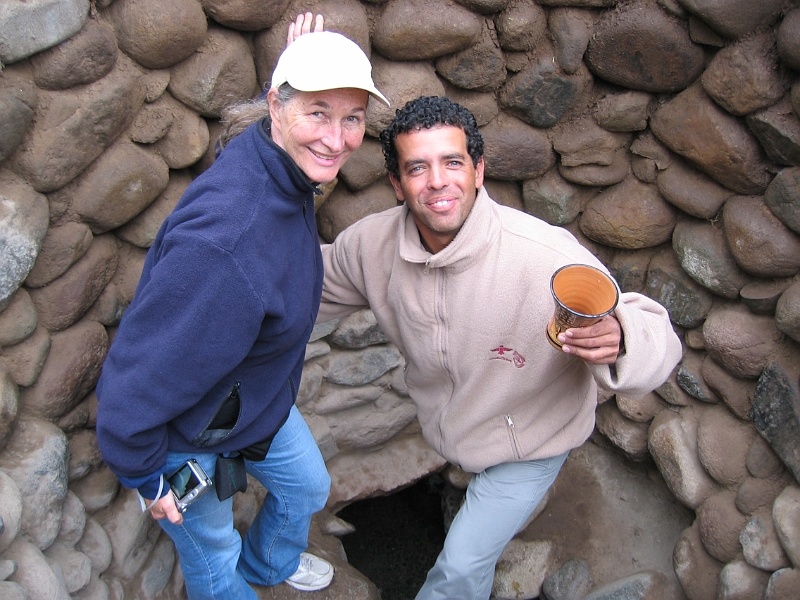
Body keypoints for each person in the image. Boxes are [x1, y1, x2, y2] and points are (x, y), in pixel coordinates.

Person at [318, 96, 683, 600]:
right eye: (417, 168)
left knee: (461, 569)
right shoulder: (370, 247)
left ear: (479, 170)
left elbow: (658, 338)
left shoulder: (544, 257)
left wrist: (623, 335)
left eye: (452, 162)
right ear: (396, 185)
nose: (438, 181)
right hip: (452, 425)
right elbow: (306, 285)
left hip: (530, 442)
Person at [95, 14, 389, 600]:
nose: (337, 139)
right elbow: (137, 374)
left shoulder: (272, 158)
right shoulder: (226, 245)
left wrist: (301, 72)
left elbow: (296, 136)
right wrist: (147, 478)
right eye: (318, 114)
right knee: (212, 552)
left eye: (351, 117)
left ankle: (270, 566)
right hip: (189, 436)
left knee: (306, 488)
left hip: (249, 401)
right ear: (276, 109)